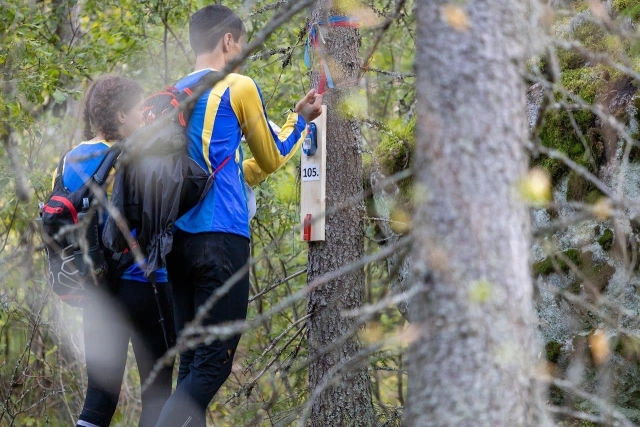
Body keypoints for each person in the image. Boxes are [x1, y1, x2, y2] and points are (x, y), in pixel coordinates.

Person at [154, 5, 323, 426]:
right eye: (242, 45)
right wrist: (297, 120)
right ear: (228, 41)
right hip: (222, 239)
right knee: (214, 366)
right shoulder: (237, 86)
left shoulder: (174, 95)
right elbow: (270, 158)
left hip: (175, 243)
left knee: (192, 365)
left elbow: (222, 169)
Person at [59, 75, 175, 427]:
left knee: (99, 399)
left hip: (97, 289)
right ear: (121, 116)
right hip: (144, 282)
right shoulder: (138, 152)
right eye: (140, 109)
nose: (144, 115)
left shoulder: (71, 159)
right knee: (156, 399)